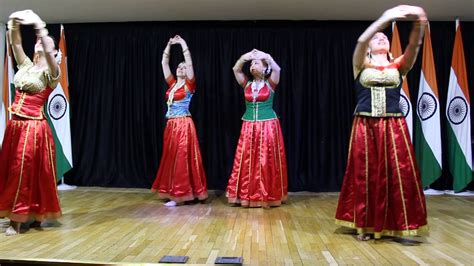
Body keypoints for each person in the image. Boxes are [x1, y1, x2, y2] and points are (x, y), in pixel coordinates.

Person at [335, 5, 429, 240]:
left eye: (384, 37)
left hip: (393, 126)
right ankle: (365, 225)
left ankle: (397, 223)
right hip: (365, 127)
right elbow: (360, 40)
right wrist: (384, 19)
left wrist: (419, 22)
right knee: (365, 175)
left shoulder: (399, 65)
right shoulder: (361, 65)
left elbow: (414, 46)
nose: (381, 38)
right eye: (376, 37)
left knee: (397, 175)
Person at [0, 10, 62, 235]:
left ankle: (18, 220)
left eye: (44, 43)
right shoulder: (26, 66)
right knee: (12, 170)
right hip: (15, 126)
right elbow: (15, 44)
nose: (39, 43)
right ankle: (28, 214)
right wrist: (14, 22)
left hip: (34, 129)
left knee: (22, 171)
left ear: (53, 51)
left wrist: (38, 24)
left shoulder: (51, 73)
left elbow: (46, 46)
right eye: (36, 40)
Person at [226, 49, 288, 208]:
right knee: (246, 160)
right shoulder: (246, 83)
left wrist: (265, 56)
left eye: (256, 63)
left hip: (267, 126)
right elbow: (236, 69)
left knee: (265, 161)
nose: (252, 65)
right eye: (252, 63)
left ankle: (265, 194)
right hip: (248, 126)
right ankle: (247, 194)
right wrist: (244, 57)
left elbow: (278, 69)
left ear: (264, 67)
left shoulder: (270, 83)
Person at [151, 35, 208, 207]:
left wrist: (183, 44)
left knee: (182, 158)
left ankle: (180, 195)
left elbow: (189, 64)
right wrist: (168, 45)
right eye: (179, 66)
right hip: (171, 125)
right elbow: (163, 64)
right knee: (171, 158)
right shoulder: (172, 84)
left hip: (183, 124)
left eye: (184, 67)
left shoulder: (189, 85)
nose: (181, 68)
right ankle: (173, 191)